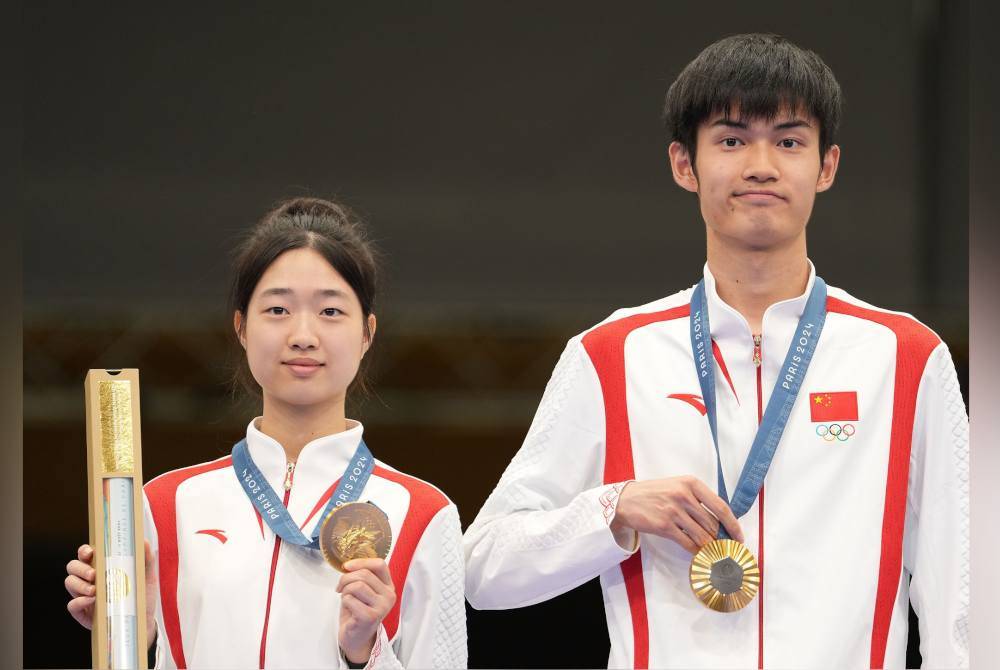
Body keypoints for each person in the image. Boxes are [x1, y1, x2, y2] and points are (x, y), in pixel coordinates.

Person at [463, 33, 968, 669]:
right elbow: (483, 569)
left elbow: (964, 595)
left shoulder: (906, 357)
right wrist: (612, 512)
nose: (761, 164)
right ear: (684, 164)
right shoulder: (612, 355)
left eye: (789, 141)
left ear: (827, 165)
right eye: (731, 140)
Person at [65, 197, 468, 669]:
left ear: (367, 333)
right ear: (241, 327)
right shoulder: (165, 503)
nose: (302, 334)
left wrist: (364, 654)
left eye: (331, 312)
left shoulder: (423, 514)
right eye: (277, 309)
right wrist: (129, 635)